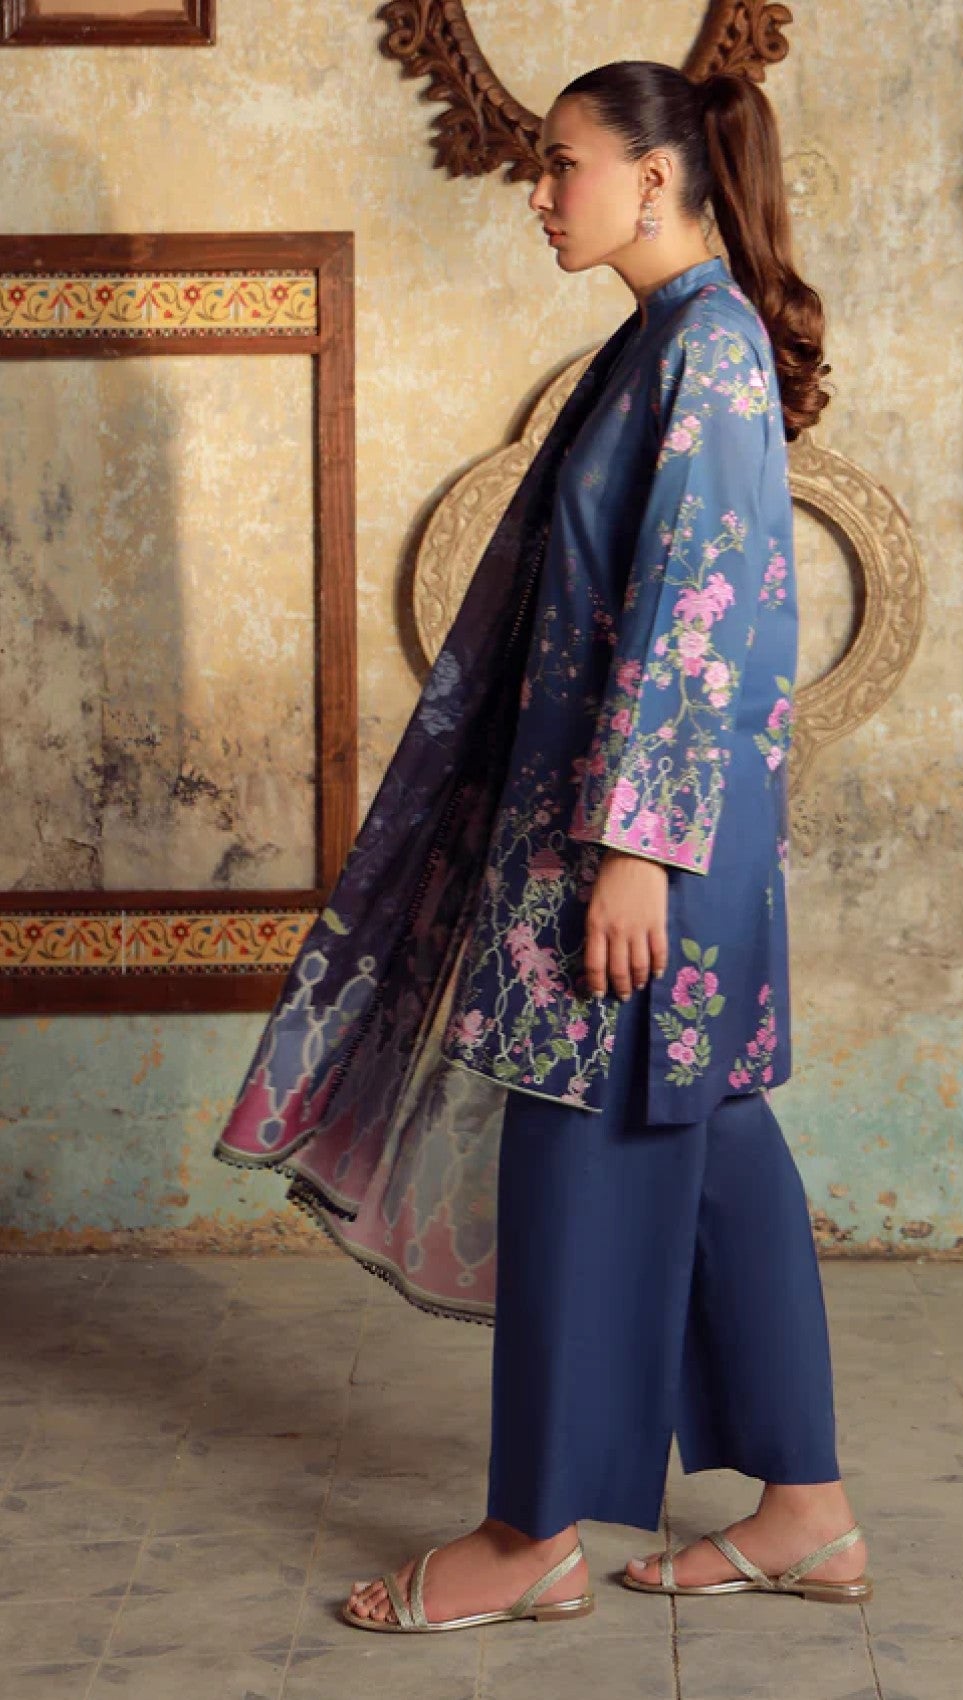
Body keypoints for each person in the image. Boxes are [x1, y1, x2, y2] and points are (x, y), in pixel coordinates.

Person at [214, 59, 871, 1636]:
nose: (539, 193)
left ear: (655, 177)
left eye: (562, 163)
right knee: (712, 1141)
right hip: (631, 827)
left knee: (579, 1146)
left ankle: (531, 1536)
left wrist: (636, 849)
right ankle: (807, 1513)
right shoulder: (659, 342)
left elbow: (701, 603)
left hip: (638, 843)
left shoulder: (705, 349)